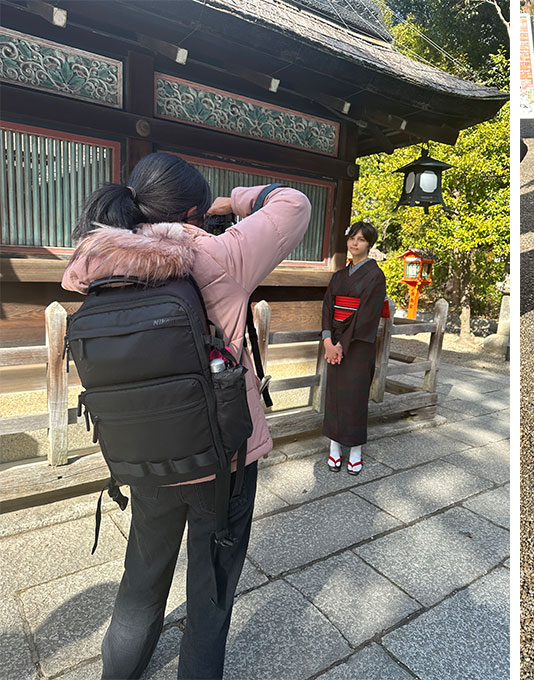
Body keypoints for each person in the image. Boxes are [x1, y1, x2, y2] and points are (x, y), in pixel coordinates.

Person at [62, 152, 311, 679]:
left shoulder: (98, 262)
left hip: (143, 456)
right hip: (224, 458)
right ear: (196, 210)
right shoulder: (221, 254)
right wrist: (233, 201)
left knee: (141, 580)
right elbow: (293, 203)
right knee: (211, 590)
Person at [322, 222, 387, 476]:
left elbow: (367, 315)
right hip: (334, 344)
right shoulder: (339, 276)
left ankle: (356, 449)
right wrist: (328, 341)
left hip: (358, 345)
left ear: (369, 244)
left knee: (356, 396)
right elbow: (328, 307)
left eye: (361, 239)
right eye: (352, 238)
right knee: (334, 394)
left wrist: (341, 345)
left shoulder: (375, 275)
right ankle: (335, 446)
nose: (355, 243)